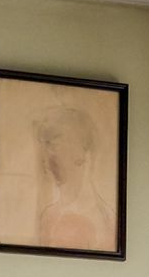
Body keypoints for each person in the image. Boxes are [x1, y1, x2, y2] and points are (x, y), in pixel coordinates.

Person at [35, 106, 115, 252]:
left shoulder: (107, 221)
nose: (46, 158)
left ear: (81, 152)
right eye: (45, 147)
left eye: (54, 146)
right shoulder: (48, 217)